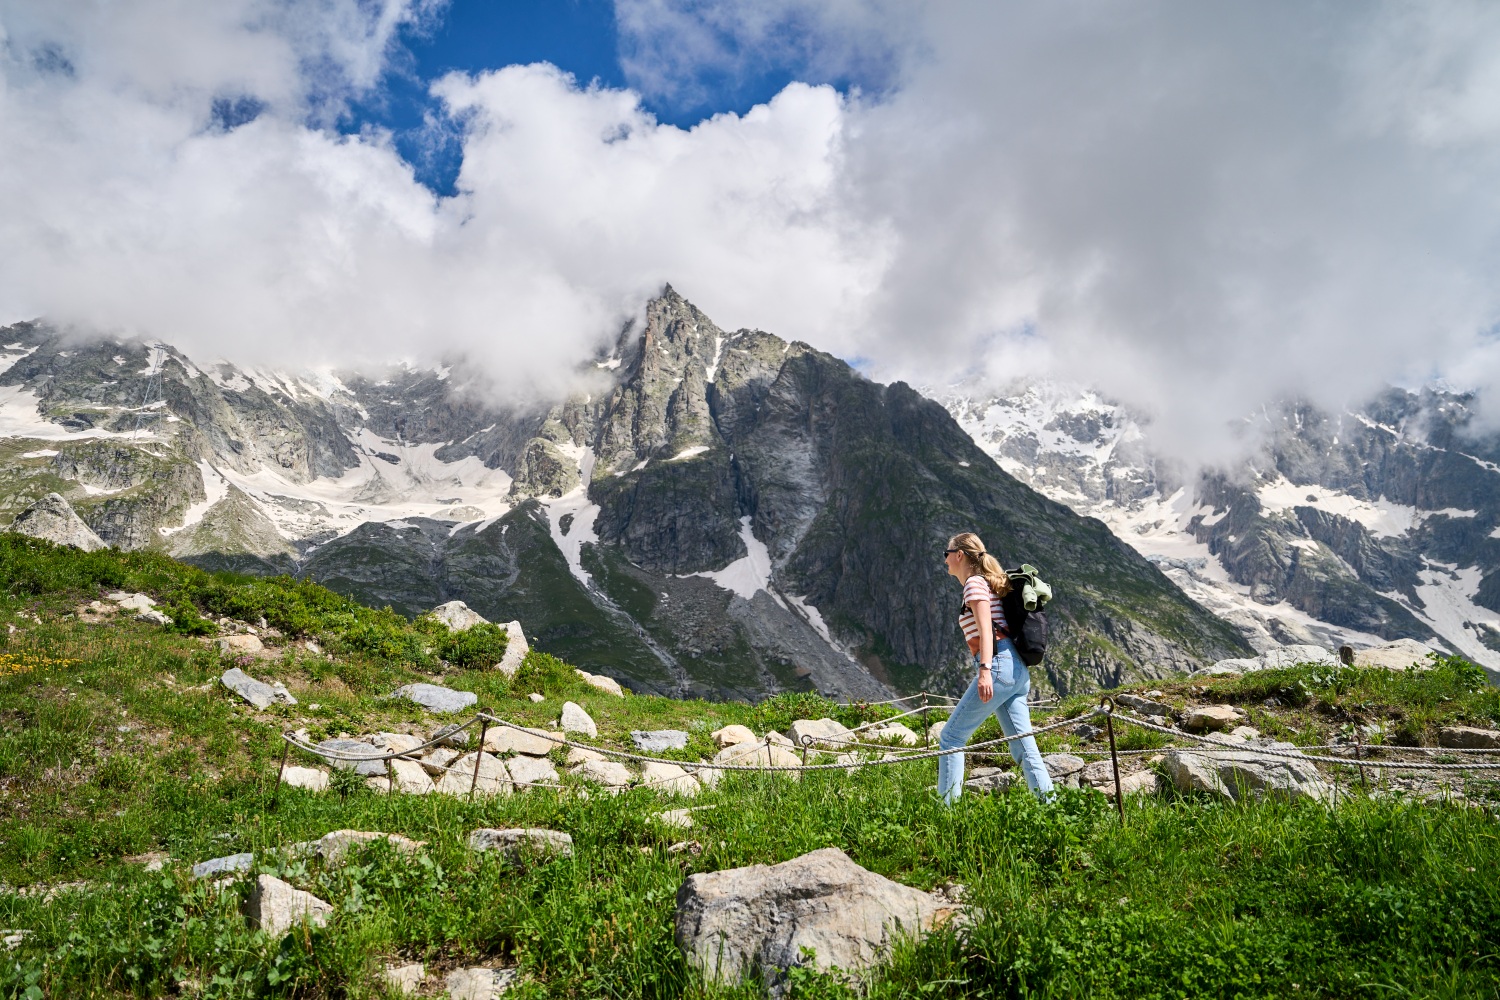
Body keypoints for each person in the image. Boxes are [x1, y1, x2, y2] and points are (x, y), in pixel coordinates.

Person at [936, 532, 1054, 803]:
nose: (945, 561)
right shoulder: (987, 583)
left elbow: (986, 631)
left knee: (951, 737)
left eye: (947, 554)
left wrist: (985, 670)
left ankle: (946, 811)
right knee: (1025, 746)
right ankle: (1051, 806)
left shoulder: (974, 584)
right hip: (1017, 670)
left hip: (998, 664)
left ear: (959, 555)